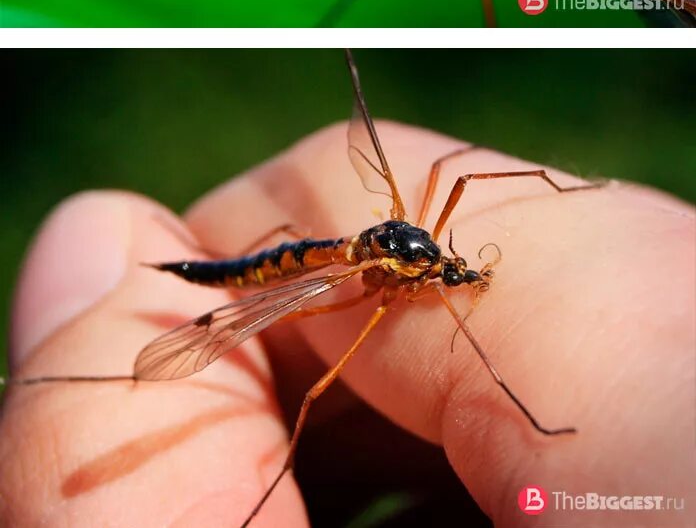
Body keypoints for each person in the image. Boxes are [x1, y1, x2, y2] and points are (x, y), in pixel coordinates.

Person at [1, 123, 693, 526]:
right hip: (297, 266)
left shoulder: (424, 248)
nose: (444, 273)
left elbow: (455, 169)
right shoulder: (373, 285)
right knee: (307, 385)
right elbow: (459, 333)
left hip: (326, 248)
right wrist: (513, 396)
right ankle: (95, 367)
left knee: (455, 169)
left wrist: (568, 185)